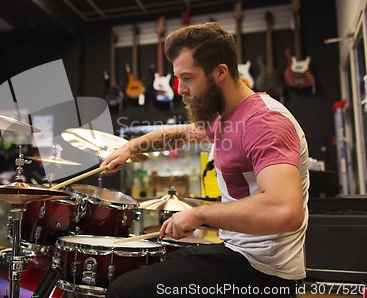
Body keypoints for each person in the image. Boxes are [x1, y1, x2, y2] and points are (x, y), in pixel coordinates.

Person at [100, 22, 309, 298]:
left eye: (187, 78)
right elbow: (182, 135)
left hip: (263, 272)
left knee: (123, 291)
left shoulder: (264, 122)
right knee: (162, 262)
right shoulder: (227, 115)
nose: (180, 89)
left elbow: (285, 211)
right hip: (238, 253)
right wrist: (131, 147)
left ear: (220, 72)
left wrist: (199, 214)